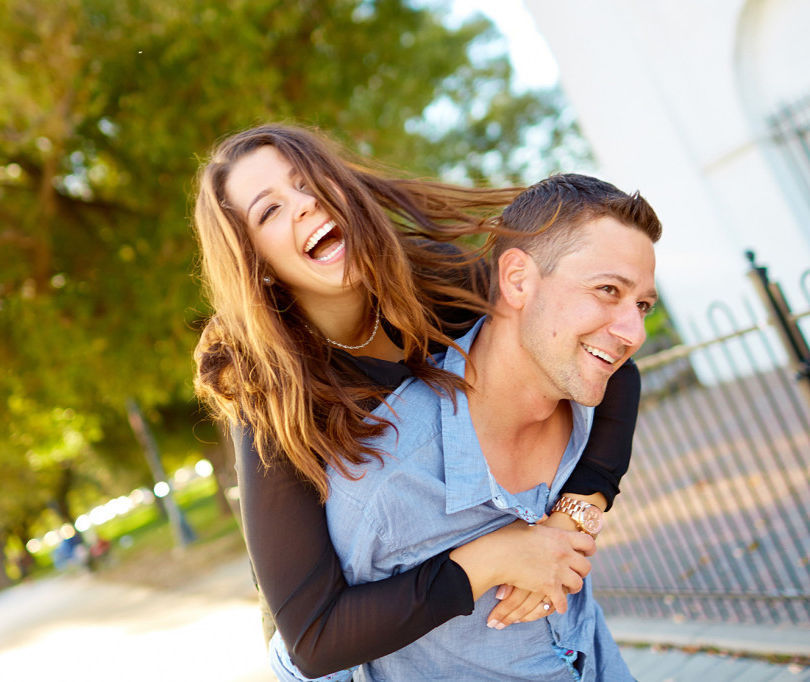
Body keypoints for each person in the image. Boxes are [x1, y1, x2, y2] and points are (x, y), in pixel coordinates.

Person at [192, 124, 641, 678]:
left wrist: (578, 512)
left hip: (540, 639)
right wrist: (492, 558)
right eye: (270, 211)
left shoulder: (441, 279)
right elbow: (314, 638)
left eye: (310, 183)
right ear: (254, 260)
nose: (306, 207)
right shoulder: (272, 396)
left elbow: (604, 360)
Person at [320, 174, 660, 679]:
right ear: (518, 280)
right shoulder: (384, 488)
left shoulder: (590, 403)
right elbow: (314, 651)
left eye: (642, 305)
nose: (634, 332)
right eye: (607, 290)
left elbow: (625, 377)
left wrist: (581, 507)